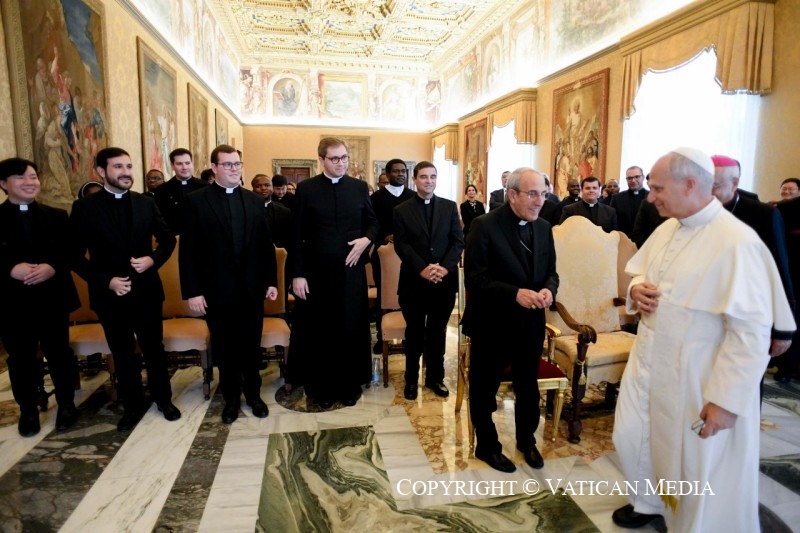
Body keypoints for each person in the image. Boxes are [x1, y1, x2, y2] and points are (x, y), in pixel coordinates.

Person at [612, 148, 795, 532]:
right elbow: (636, 276)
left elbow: (750, 332)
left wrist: (727, 400)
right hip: (648, 362)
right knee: (632, 437)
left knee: (696, 465)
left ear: (690, 184)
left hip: (698, 374)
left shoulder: (736, 242)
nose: (650, 196)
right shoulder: (667, 227)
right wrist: (636, 290)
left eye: (658, 187)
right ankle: (649, 502)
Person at [70, 147, 180, 432]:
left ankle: (163, 399)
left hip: (146, 291)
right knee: (122, 352)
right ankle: (133, 405)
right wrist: (106, 280)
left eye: (129, 166)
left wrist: (152, 260)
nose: (126, 172)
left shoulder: (145, 202)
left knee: (154, 349)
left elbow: (167, 240)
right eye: (118, 167)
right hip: (109, 295)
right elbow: (72, 255)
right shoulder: (85, 208)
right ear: (102, 172)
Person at [463, 167, 558, 473]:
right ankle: (487, 445)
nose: (539, 201)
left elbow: (552, 272)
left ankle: (526, 440)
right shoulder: (484, 225)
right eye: (532, 194)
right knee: (484, 387)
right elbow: (475, 279)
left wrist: (548, 289)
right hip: (493, 324)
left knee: (527, 386)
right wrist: (514, 293)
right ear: (512, 194)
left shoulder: (544, 228)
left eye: (543, 194)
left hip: (530, 323)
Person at [179, 145, 278, 424]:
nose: (234, 169)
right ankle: (231, 400)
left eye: (237, 164)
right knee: (225, 348)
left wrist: (270, 281)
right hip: (215, 291)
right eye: (228, 165)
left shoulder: (254, 201)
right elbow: (188, 251)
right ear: (214, 168)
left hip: (251, 289)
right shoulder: (196, 201)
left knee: (250, 345)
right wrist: (193, 291)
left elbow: (264, 246)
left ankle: (254, 396)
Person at [286, 137, 378, 408]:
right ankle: (319, 389)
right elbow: (296, 235)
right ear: (321, 160)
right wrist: (298, 274)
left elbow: (373, 223)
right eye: (335, 159)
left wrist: (366, 240)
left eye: (344, 158)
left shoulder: (359, 187)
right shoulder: (306, 190)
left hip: (350, 272)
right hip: (317, 273)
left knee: (351, 327)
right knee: (320, 331)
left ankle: (349, 385)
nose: (341, 163)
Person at [0, 158, 80, 437]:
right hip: (12, 302)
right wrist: (10, 268)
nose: (30, 182)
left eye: (33, 177)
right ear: (3, 184)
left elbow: (71, 250)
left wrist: (51, 267)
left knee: (59, 353)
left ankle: (67, 404)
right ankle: (28, 409)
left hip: (52, 298)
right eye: (21, 178)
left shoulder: (56, 216)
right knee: (20, 358)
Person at [711, 155, 796, 383]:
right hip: (708, 315)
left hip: (748, 316)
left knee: (743, 386)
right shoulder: (698, 214)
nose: (709, 192)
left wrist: (783, 329)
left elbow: (779, 270)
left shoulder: (763, 214)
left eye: (715, 186)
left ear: (735, 183)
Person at [394, 162, 464, 400]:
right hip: (414, 282)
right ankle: (411, 380)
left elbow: (457, 241)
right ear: (414, 179)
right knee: (414, 332)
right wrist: (422, 268)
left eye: (433, 177)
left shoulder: (449, 206)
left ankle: (436, 378)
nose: (429, 181)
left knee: (437, 332)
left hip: (443, 283)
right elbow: (401, 244)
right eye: (424, 177)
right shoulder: (401, 210)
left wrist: (444, 268)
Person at [370, 158, 415, 354]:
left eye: (403, 171)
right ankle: (382, 337)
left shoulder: (413, 196)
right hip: (383, 254)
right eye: (396, 171)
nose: (400, 174)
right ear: (387, 175)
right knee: (384, 295)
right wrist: (384, 236)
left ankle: (410, 335)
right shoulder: (376, 198)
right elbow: (371, 224)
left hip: (410, 256)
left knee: (410, 296)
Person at [154, 148, 206, 234]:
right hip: (174, 238)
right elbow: (159, 219)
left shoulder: (204, 187)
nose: (184, 167)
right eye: (179, 164)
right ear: (172, 166)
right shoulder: (162, 190)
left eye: (187, 163)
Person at [251, 173, 291, 248]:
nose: (263, 188)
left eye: (267, 185)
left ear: (272, 187)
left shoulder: (284, 211)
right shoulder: (246, 210)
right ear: (253, 189)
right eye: (258, 186)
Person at [610, 166, 648, 238]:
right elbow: (612, 221)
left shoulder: (652, 197)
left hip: (647, 242)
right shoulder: (617, 198)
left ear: (643, 177)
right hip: (624, 241)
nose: (633, 180)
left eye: (637, 177)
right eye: (629, 178)